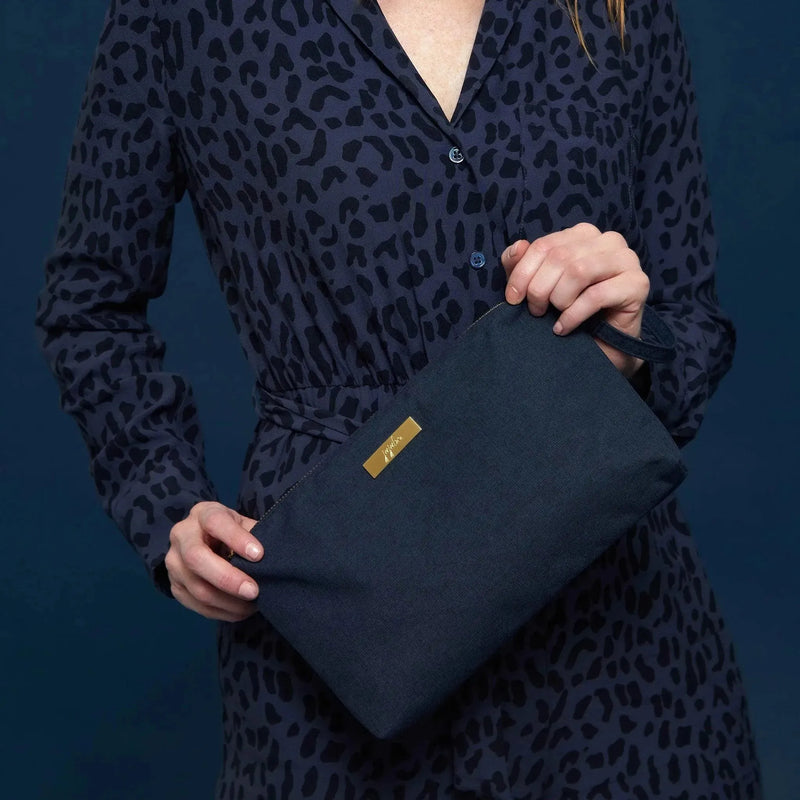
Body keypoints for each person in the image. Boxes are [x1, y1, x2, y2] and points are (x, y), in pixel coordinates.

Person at [35, 0, 763, 796]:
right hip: (342, 635)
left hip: (620, 657)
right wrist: (165, 504)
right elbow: (89, 303)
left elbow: (693, 319)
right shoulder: (183, 15)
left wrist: (629, 345)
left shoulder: (623, 12)